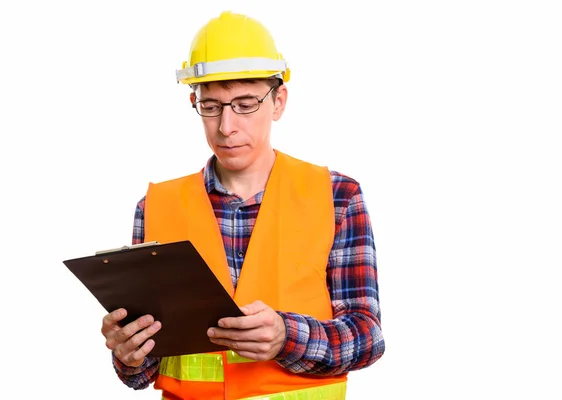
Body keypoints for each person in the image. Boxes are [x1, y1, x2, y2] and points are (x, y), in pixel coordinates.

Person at [100, 10, 385, 400]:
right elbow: (140, 374)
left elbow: (367, 338)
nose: (226, 127)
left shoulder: (337, 197)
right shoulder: (154, 207)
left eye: (245, 104)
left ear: (278, 101)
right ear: (195, 102)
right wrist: (128, 354)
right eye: (212, 106)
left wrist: (287, 336)